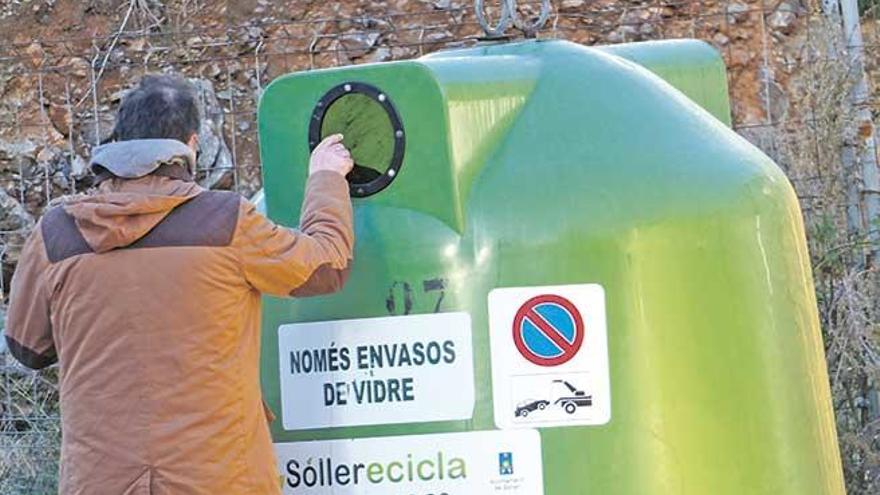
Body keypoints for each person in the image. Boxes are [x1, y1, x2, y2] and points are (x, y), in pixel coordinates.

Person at [3, 74, 354, 494]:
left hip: (99, 481)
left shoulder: (55, 233)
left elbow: (28, 348)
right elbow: (327, 265)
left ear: (118, 141)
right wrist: (326, 177)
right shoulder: (226, 222)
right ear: (190, 145)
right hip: (221, 480)